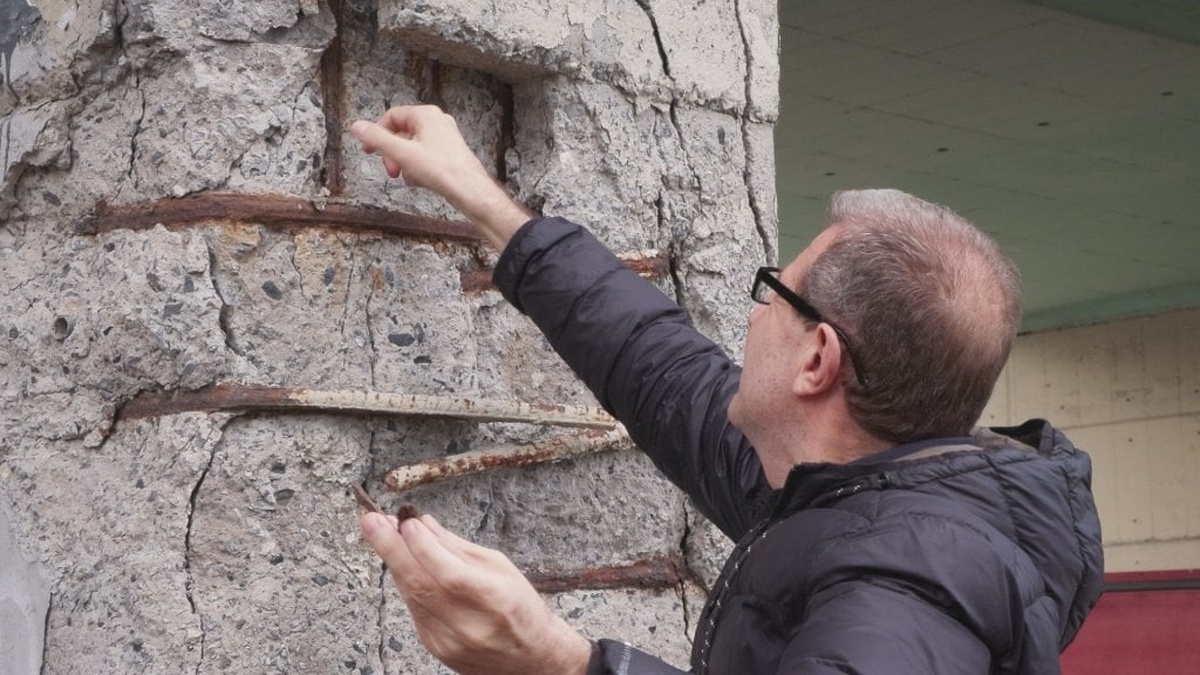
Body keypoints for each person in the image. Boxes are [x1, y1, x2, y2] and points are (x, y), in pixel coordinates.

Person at [350, 105, 1104, 675]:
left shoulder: (901, 596)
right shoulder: (850, 493)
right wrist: (481, 199)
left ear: (817, 360)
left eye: (774, 292)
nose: (754, 312)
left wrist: (555, 660)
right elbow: (654, 364)